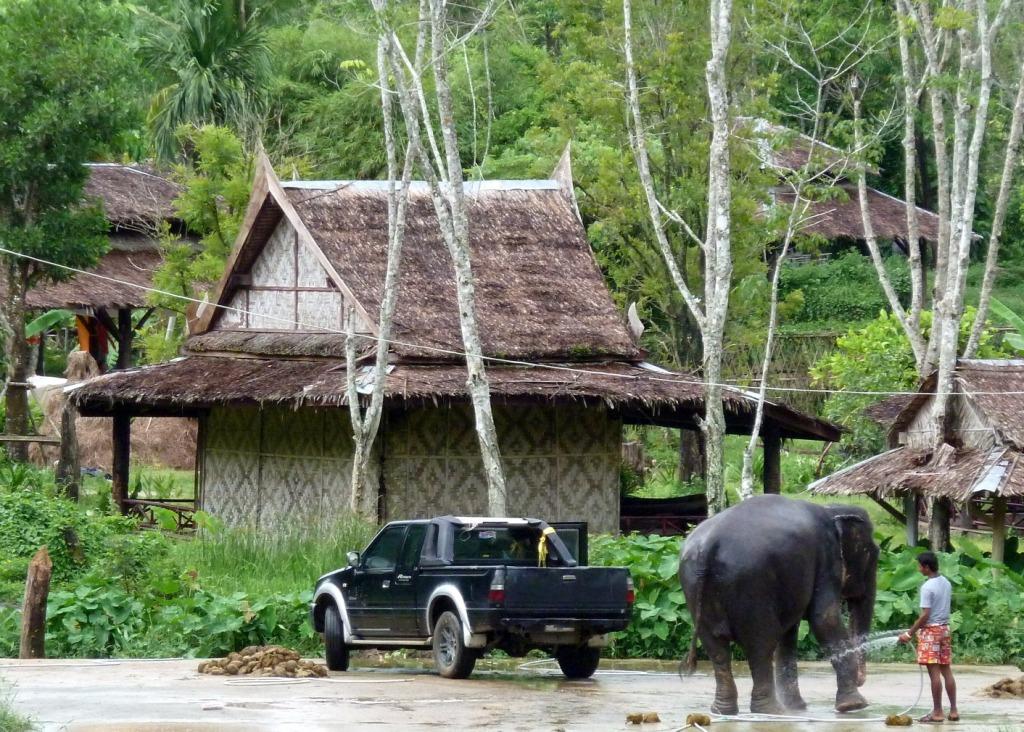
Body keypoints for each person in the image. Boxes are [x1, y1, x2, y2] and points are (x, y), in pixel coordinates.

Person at [897, 551, 958, 723]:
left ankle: (937, 712)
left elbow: (925, 615)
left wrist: (909, 633)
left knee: (934, 674)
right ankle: (953, 711)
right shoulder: (945, 582)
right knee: (946, 671)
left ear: (927, 567)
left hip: (931, 632)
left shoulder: (927, 587)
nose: (918, 569)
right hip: (945, 629)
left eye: (920, 566)